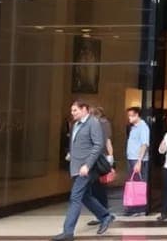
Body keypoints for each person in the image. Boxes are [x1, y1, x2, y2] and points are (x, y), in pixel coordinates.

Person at [53, 100, 114, 240]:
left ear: (84, 109)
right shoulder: (76, 124)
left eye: (75, 110)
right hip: (76, 168)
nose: (72, 113)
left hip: (87, 168)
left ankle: (68, 232)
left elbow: (98, 145)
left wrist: (87, 165)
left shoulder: (93, 123)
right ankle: (105, 216)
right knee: (86, 197)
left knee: (75, 197)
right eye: (72, 110)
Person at [85, 107, 114, 217]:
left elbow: (107, 141)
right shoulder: (102, 123)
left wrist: (110, 156)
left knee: (98, 187)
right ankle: (102, 212)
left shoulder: (101, 124)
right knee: (97, 187)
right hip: (98, 157)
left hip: (99, 158)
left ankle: (102, 213)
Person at [123, 107, 150, 217]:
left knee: (138, 184)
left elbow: (144, 144)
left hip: (138, 159)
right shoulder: (133, 127)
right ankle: (133, 207)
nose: (129, 118)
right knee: (133, 183)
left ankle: (140, 209)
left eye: (131, 116)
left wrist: (139, 161)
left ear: (137, 115)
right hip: (132, 158)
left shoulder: (143, 127)